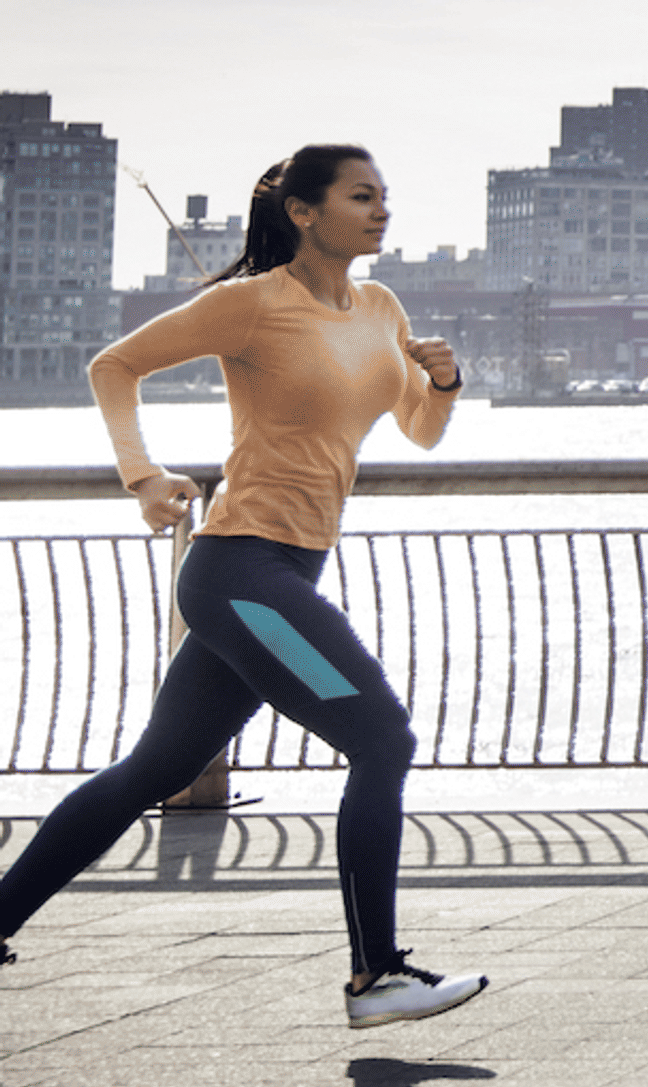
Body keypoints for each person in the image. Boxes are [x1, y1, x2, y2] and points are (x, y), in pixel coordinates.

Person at [0, 147, 485, 1026]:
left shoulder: (380, 308)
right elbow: (113, 365)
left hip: (288, 569)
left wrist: (444, 381)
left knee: (156, 767)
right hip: (240, 572)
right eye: (361, 196)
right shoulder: (251, 303)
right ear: (303, 211)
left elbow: (418, 428)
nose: (381, 211)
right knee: (383, 737)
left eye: (384, 197)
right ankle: (377, 975)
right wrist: (142, 477)